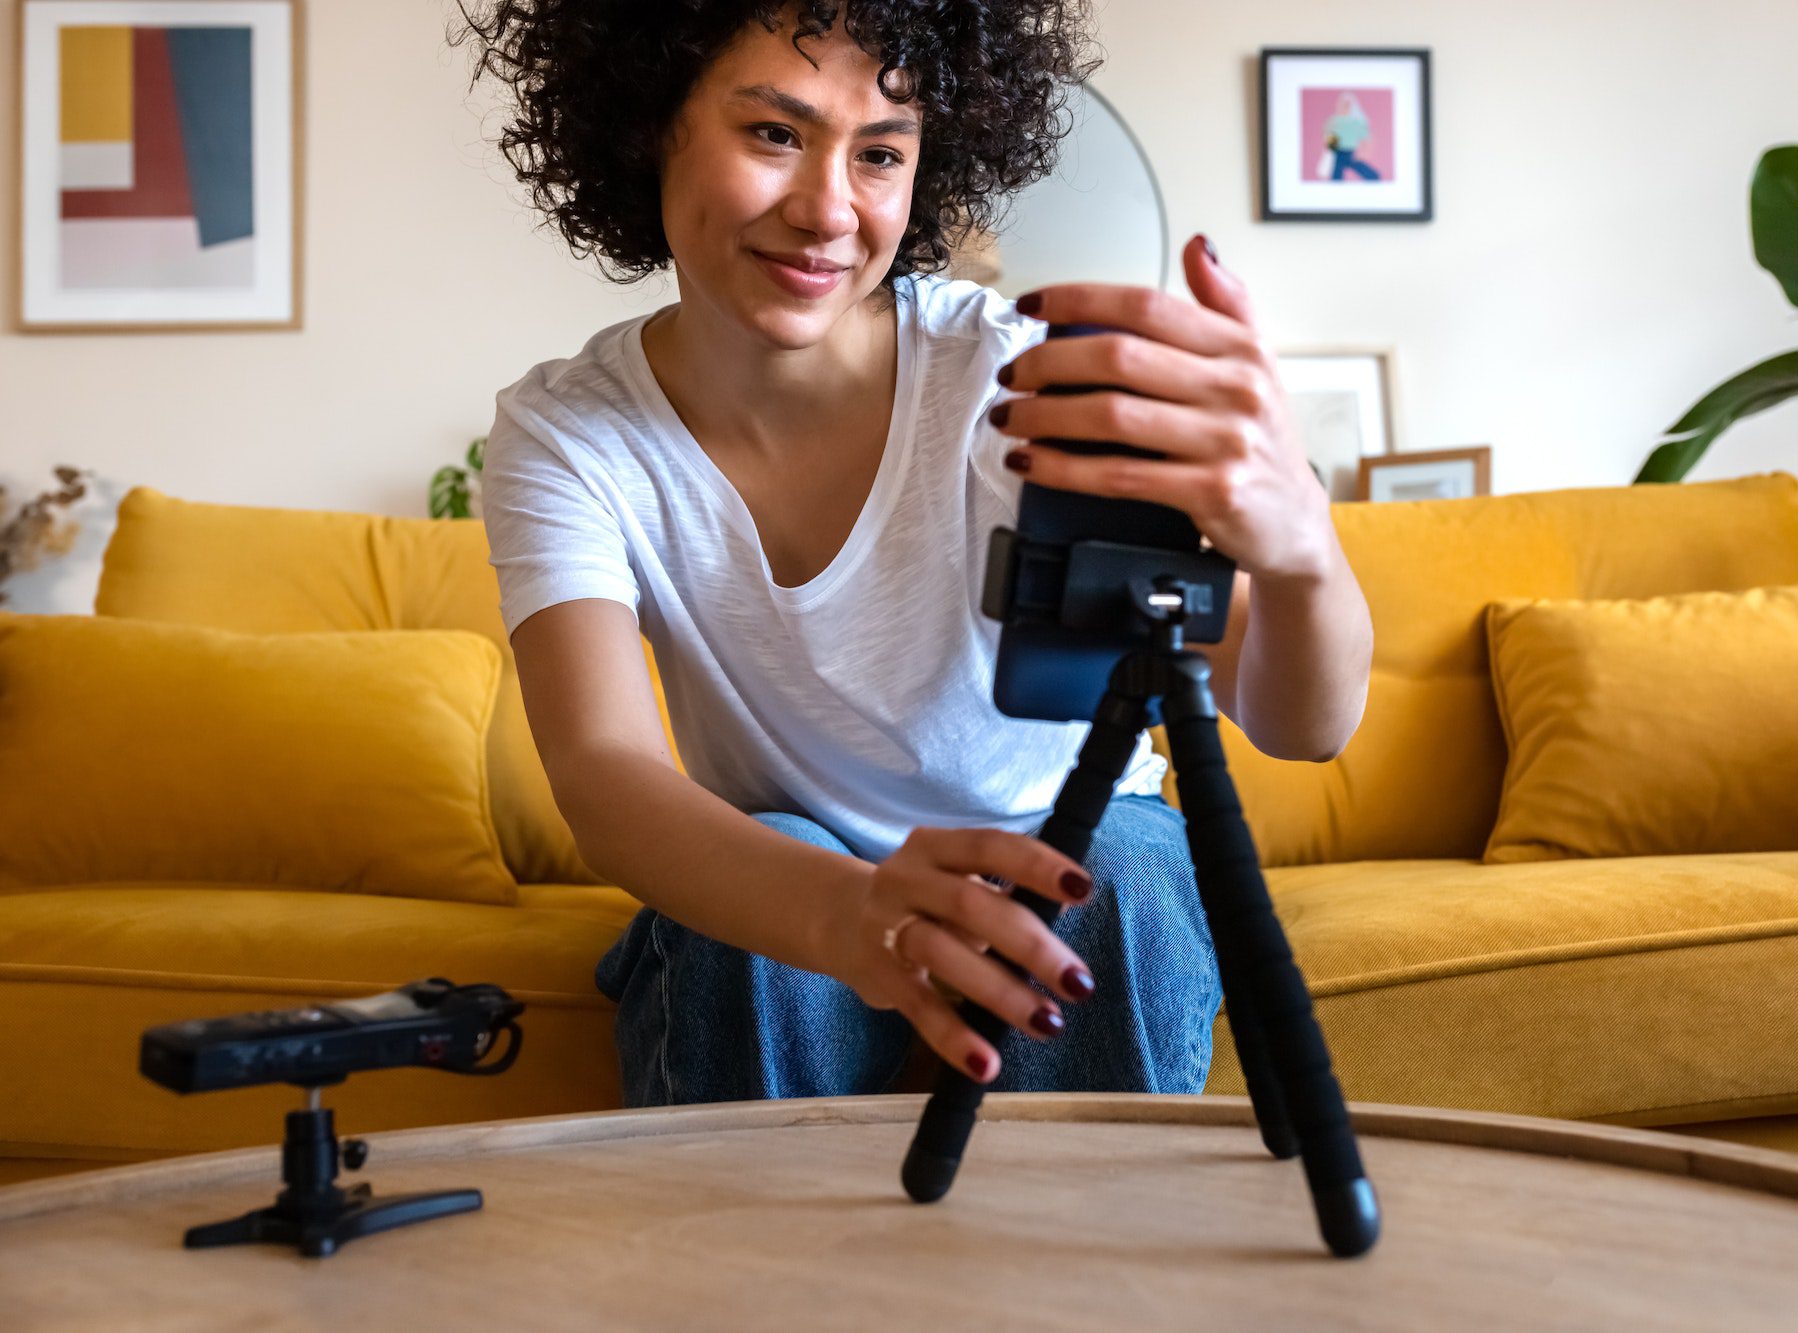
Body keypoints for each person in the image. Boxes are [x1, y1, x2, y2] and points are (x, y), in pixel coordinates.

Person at [450, 0, 1374, 1108]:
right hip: (788, 877)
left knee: (1111, 869)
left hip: (1067, 830)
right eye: (774, 135)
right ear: (652, 127)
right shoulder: (571, 433)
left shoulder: (1020, 379)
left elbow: (1304, 725)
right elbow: (606, 772)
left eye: (879, 154)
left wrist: (1301, 553)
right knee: (755, 922)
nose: (826, 209)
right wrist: (848, 913)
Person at [1323, 92, 1382, 182]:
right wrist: (1331, 149)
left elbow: (1366, 138)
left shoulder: (1357, 122)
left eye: (1348, 105)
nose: (1345, 107)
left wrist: (1363, 152)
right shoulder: (1334, 120)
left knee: (1352, 165)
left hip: (1350, 150)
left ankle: (1373, 176)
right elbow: (1330, 134)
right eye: (1343, 104)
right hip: (1338, 151)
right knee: (1337, 171)